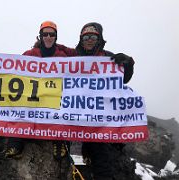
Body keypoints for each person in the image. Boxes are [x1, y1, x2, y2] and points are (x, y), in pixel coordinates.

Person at [57, 22, 134, 180]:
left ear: (99, 38)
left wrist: (129, 64)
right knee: (63, 147)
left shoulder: (108, 58)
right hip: (75, 113)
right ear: (81, 39)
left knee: (101, 159)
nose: (89, 40)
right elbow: (57, 54)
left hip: (99, 118)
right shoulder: (74, 57)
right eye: (86, 37)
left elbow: (123, 79)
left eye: (93, 37)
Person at [0, 21, 69, 161]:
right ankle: (16, 145)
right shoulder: (30, 54)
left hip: (55, 98)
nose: (48, 37)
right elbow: (14, 70)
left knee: (66, 111)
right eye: (45, 34)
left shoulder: (63, 56)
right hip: (34, 98)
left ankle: (60, 142)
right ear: (40, 36)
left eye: (52, 34)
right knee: (21, 109)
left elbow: (84, 63)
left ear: (56, 37)